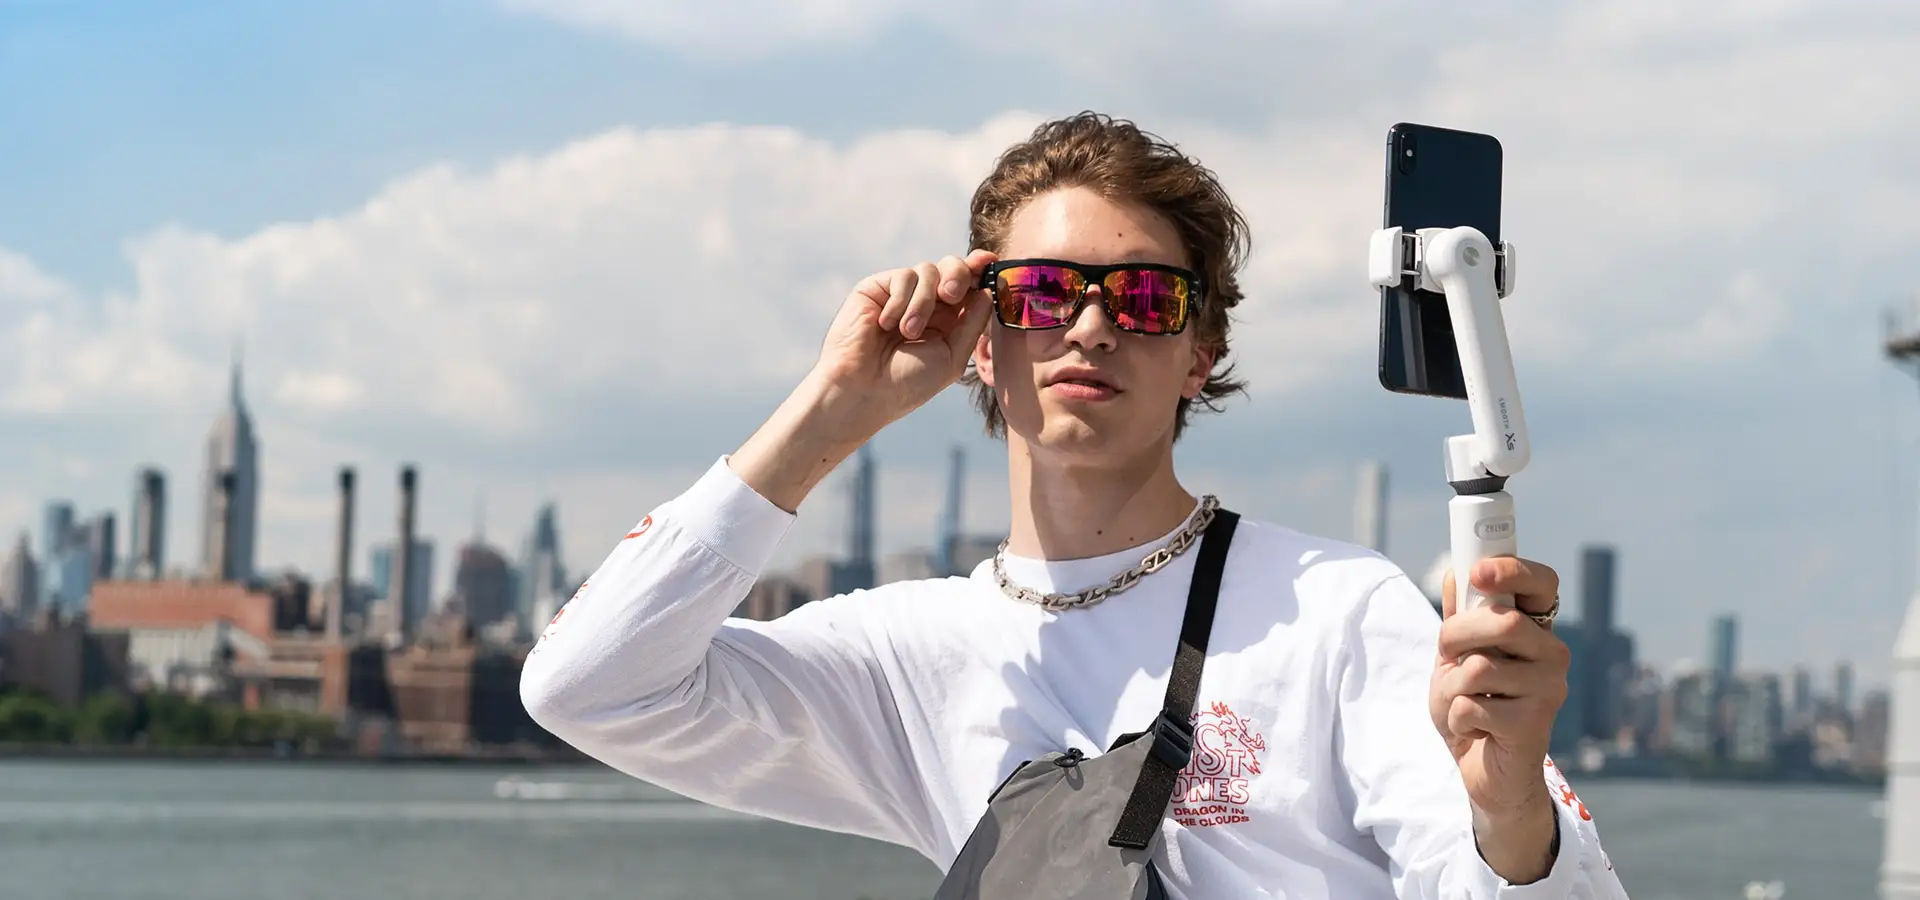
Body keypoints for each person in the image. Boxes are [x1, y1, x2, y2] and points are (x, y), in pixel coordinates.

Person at [520, 111, 1630, 899]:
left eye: (1144, 296)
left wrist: (1507, 812)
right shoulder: (909, 657)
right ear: (981, 336)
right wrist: (834, 408)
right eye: (1045, 291)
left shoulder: (1336, 607)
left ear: (1199, 354)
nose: (1091, 326)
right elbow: (587, 687)